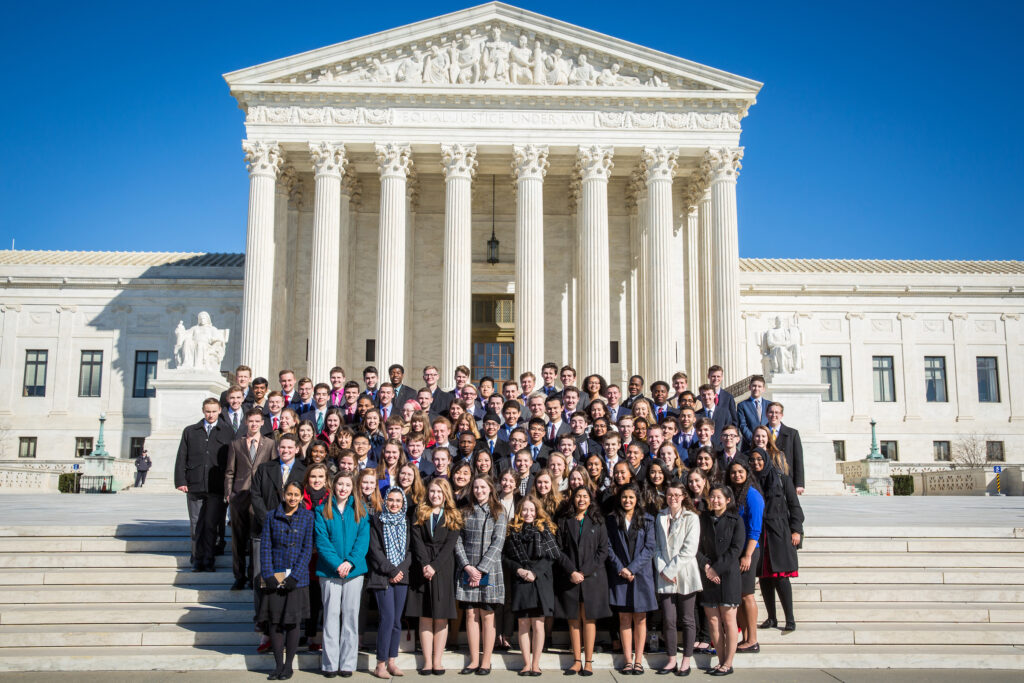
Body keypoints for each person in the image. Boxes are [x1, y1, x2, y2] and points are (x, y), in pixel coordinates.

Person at [258, 480, 314, 681]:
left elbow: (307, 548)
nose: (292, 498)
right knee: (275, 623)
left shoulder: (308, 516)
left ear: (301, 497)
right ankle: (278, 665)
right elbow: (265, 546)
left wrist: (295, 576)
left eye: (296, 495)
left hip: (296, 580)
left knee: (292, 623)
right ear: (284, 494)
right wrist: (268, 573)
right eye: (289, 494)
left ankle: (288, 666)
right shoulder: (271, 516)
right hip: (275, 574)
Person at [315, 471, 370, 678]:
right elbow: (322, 542)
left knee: (350, 618)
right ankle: (329, 664)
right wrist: (338, 564)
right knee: (330, 618)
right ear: (333, 486)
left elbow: (363, 540)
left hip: (354, 573)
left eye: (347, 485)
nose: (343, 488)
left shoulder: (360, 509)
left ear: (352, 487)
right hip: (329, 572)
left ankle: (347, 663)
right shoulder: (322, 510)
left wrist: (350, 562)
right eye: (340, 484)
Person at [408, 478, 464, 675]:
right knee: (425, 616)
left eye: (439, 492)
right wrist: (425, 565)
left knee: (441, 617)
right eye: (432, 491)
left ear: (446, 494)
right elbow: (416, 541)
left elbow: (450, 546)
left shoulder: (453, 515)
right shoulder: (419, 512)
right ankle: (427, 661)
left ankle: (438, 660)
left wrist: (435, 566)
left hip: (443, 568)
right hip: (421, 568)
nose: (435, 495)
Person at [455, 477, 509, 676]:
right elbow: (457, 541)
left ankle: (486, 660)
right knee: (470, 614)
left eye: (483, 487)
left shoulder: (499, 512)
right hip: (468, 570)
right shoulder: (465, 512)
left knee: (487, 615)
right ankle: (474, 659)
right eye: (476, 487)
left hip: (490, 570)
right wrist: (468, 567)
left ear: (490, 489)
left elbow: (498, 542)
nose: (479, 490)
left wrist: (481, 569)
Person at [555, 485, 610, 677]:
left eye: (585, 496)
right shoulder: (564, 520)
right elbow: (558, 549)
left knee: (588, 618)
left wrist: (584, 572)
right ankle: (576, 661)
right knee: (573, 618)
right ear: (573, 498)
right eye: (578, 496)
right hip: (570, 577)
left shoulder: (597, 521)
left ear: (590, 499)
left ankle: (588, 661)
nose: (581, 499)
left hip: (591, 578)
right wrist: (571, 571)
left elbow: (603, 551)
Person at [504, 495, 561, 676]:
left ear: (537, 511)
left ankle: (536, 663)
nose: (528, 513)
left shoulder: (545, 530)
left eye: (531, 510)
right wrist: (519, 570)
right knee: (522, 624)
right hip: (521, 580)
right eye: (525, 510)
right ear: (519, 512)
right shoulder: (512, 530)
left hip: (540, 581)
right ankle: (526, 663)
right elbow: (504, 557)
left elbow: (551, 556)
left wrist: (534, 572)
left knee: (538, 624)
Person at [175, 397, 233, 572]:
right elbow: (181, 457)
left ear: (220, 411)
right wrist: (180, 480)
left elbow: (231, 460)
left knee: (211, 524)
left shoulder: (227, 431)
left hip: (216, 487)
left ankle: (209, 559)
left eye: (214, 411)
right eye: (208, 411)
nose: (211, 414)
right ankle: (197, 559)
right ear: (203, 411)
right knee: (195, 524)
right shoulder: (191, 431)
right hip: (195, 485)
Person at [748, 447, 803, 633]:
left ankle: (790, 618)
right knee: (764, 578)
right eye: (753, 460)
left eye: (759, 459)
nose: (756, 463)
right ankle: (771, 617)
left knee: (781, 578)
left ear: (766, 460)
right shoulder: (751, 482)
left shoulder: (782, 479)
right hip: (760, 535)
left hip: (779, 533)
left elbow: (795, 507)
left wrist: (796, 530)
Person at [606, 483, 657, 675]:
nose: (627, 500)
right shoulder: (611, 520)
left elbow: (650, 548)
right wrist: (622, 569)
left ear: (637, 499)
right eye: (624, 497)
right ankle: (628, 660)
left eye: (631, 497)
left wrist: (632, 568)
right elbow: (609, 547)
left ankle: (638, 660)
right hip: (620, 576)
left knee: (640, 619)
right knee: (624, 618)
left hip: (641, 575)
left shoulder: (647, 519)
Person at [653, 480, 702, 676]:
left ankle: (686, 660)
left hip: (685, 572)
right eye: (670, 494)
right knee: (668, 619)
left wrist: (671, 571)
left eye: (676, 495)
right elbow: (656, 546)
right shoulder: (660, 516)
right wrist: (662, 570)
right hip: (664, 573)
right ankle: (671, 658)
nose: (673, 498)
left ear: (683, 497)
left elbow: (689, 549)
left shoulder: (692, 518)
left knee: (687, 618)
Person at [225, 409, 277, 590]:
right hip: (239, 496)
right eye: (251, 421)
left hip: (259, 497)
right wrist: (229, 493)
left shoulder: (270, 444)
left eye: (257, 421)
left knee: (257, 539)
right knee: (238, 539)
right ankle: (238, 576)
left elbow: (273, 470)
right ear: (246, 422)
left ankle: (253, 574)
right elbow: (230, 472)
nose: (254, 424)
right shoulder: (236, 444)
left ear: (263, 423)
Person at [696, 485, 745, 676]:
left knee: (729, 619)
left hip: (728, 576)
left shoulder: (735, 520)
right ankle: (720, 660)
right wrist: (707, 567)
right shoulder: (703, 519)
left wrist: (717, 568)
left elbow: (736, 548)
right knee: (714, 621)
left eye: (719, 497)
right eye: (712, 497)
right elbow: (696, 547)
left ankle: (728, 662)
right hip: (708, 575)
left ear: (727, 500)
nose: (715, 500)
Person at [368, 487, 413, 680]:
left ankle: (392, 661)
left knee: (396, 621)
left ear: (403, 503)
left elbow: (410, 551)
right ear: (385, 501)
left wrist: (400, 570)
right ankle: (380, 664)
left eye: (398, 501)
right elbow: (375, 551)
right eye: (391, 500)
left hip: (401, 577)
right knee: (387, 619)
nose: (395, 504)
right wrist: (392, 570)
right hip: (382, 577)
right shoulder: (377, 521)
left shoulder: (406, 522)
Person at [726, 461, 764, 653]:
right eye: (733, 472)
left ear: (747, 473)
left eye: (740, 472)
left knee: (748, 595)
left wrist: (747, 555)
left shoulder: (752, 495)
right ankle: (746, 637)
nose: (737, 475)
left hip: (748, 550)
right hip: (737, 549)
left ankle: (753, 639)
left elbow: (755, 529)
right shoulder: (734, 494)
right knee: (740, 596)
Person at [301, 464, 330, 652]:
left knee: (323, 601)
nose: (317, 480)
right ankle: (308, 635)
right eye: (313, 476)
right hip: (304, 559)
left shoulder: (331, 499)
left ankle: (319, 638)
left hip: (325, 558)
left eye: (320, 476)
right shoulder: (300, 498)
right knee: (308, 599)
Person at [765, 403, 805, 493]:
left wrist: (799, 484)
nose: (774, 415)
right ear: (766, 414)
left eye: (777, 412)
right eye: (771, 412)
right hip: (766, 480)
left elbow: (798, 459)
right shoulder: (760, 433)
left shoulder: (792, 434)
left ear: (781, 415)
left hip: (786, 478)